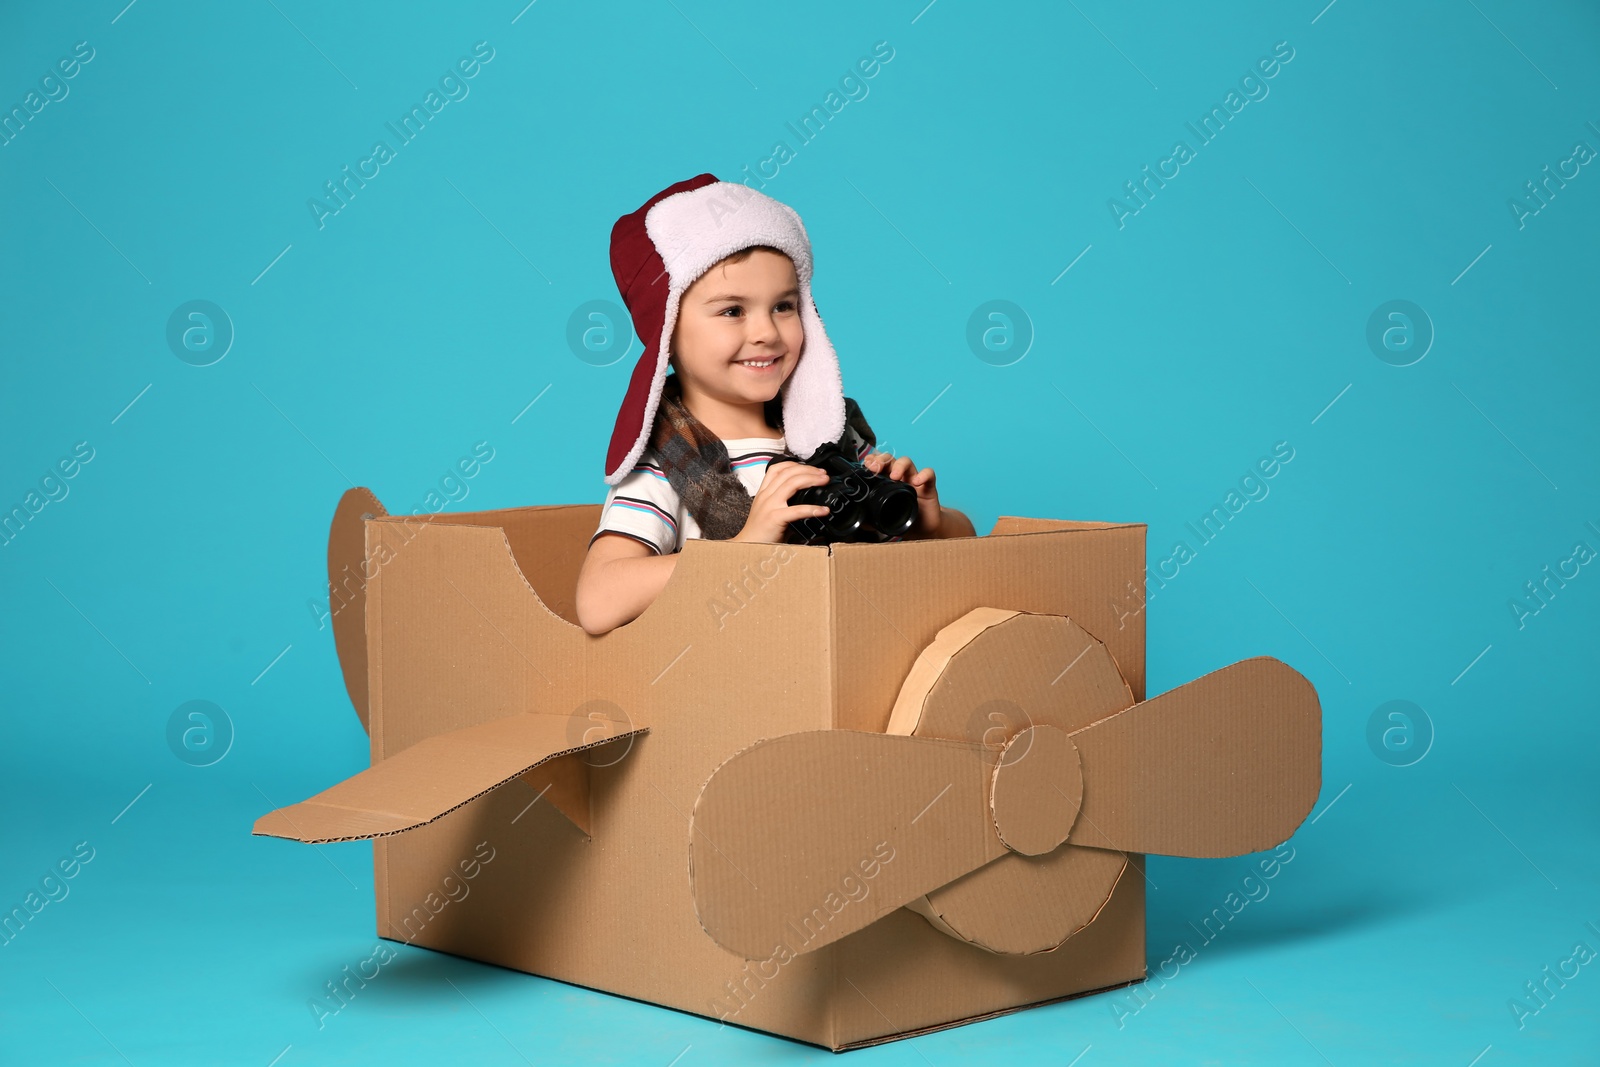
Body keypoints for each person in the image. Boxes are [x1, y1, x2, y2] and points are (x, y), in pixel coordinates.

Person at [575, 174, 974, 635]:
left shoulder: (830, 438)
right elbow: (597, 601)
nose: (766, 332)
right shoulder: (666, 464)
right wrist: (746, 545)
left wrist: (931, 522)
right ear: (667, 330)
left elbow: (966, 540)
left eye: (783, 306)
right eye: (732, 311)